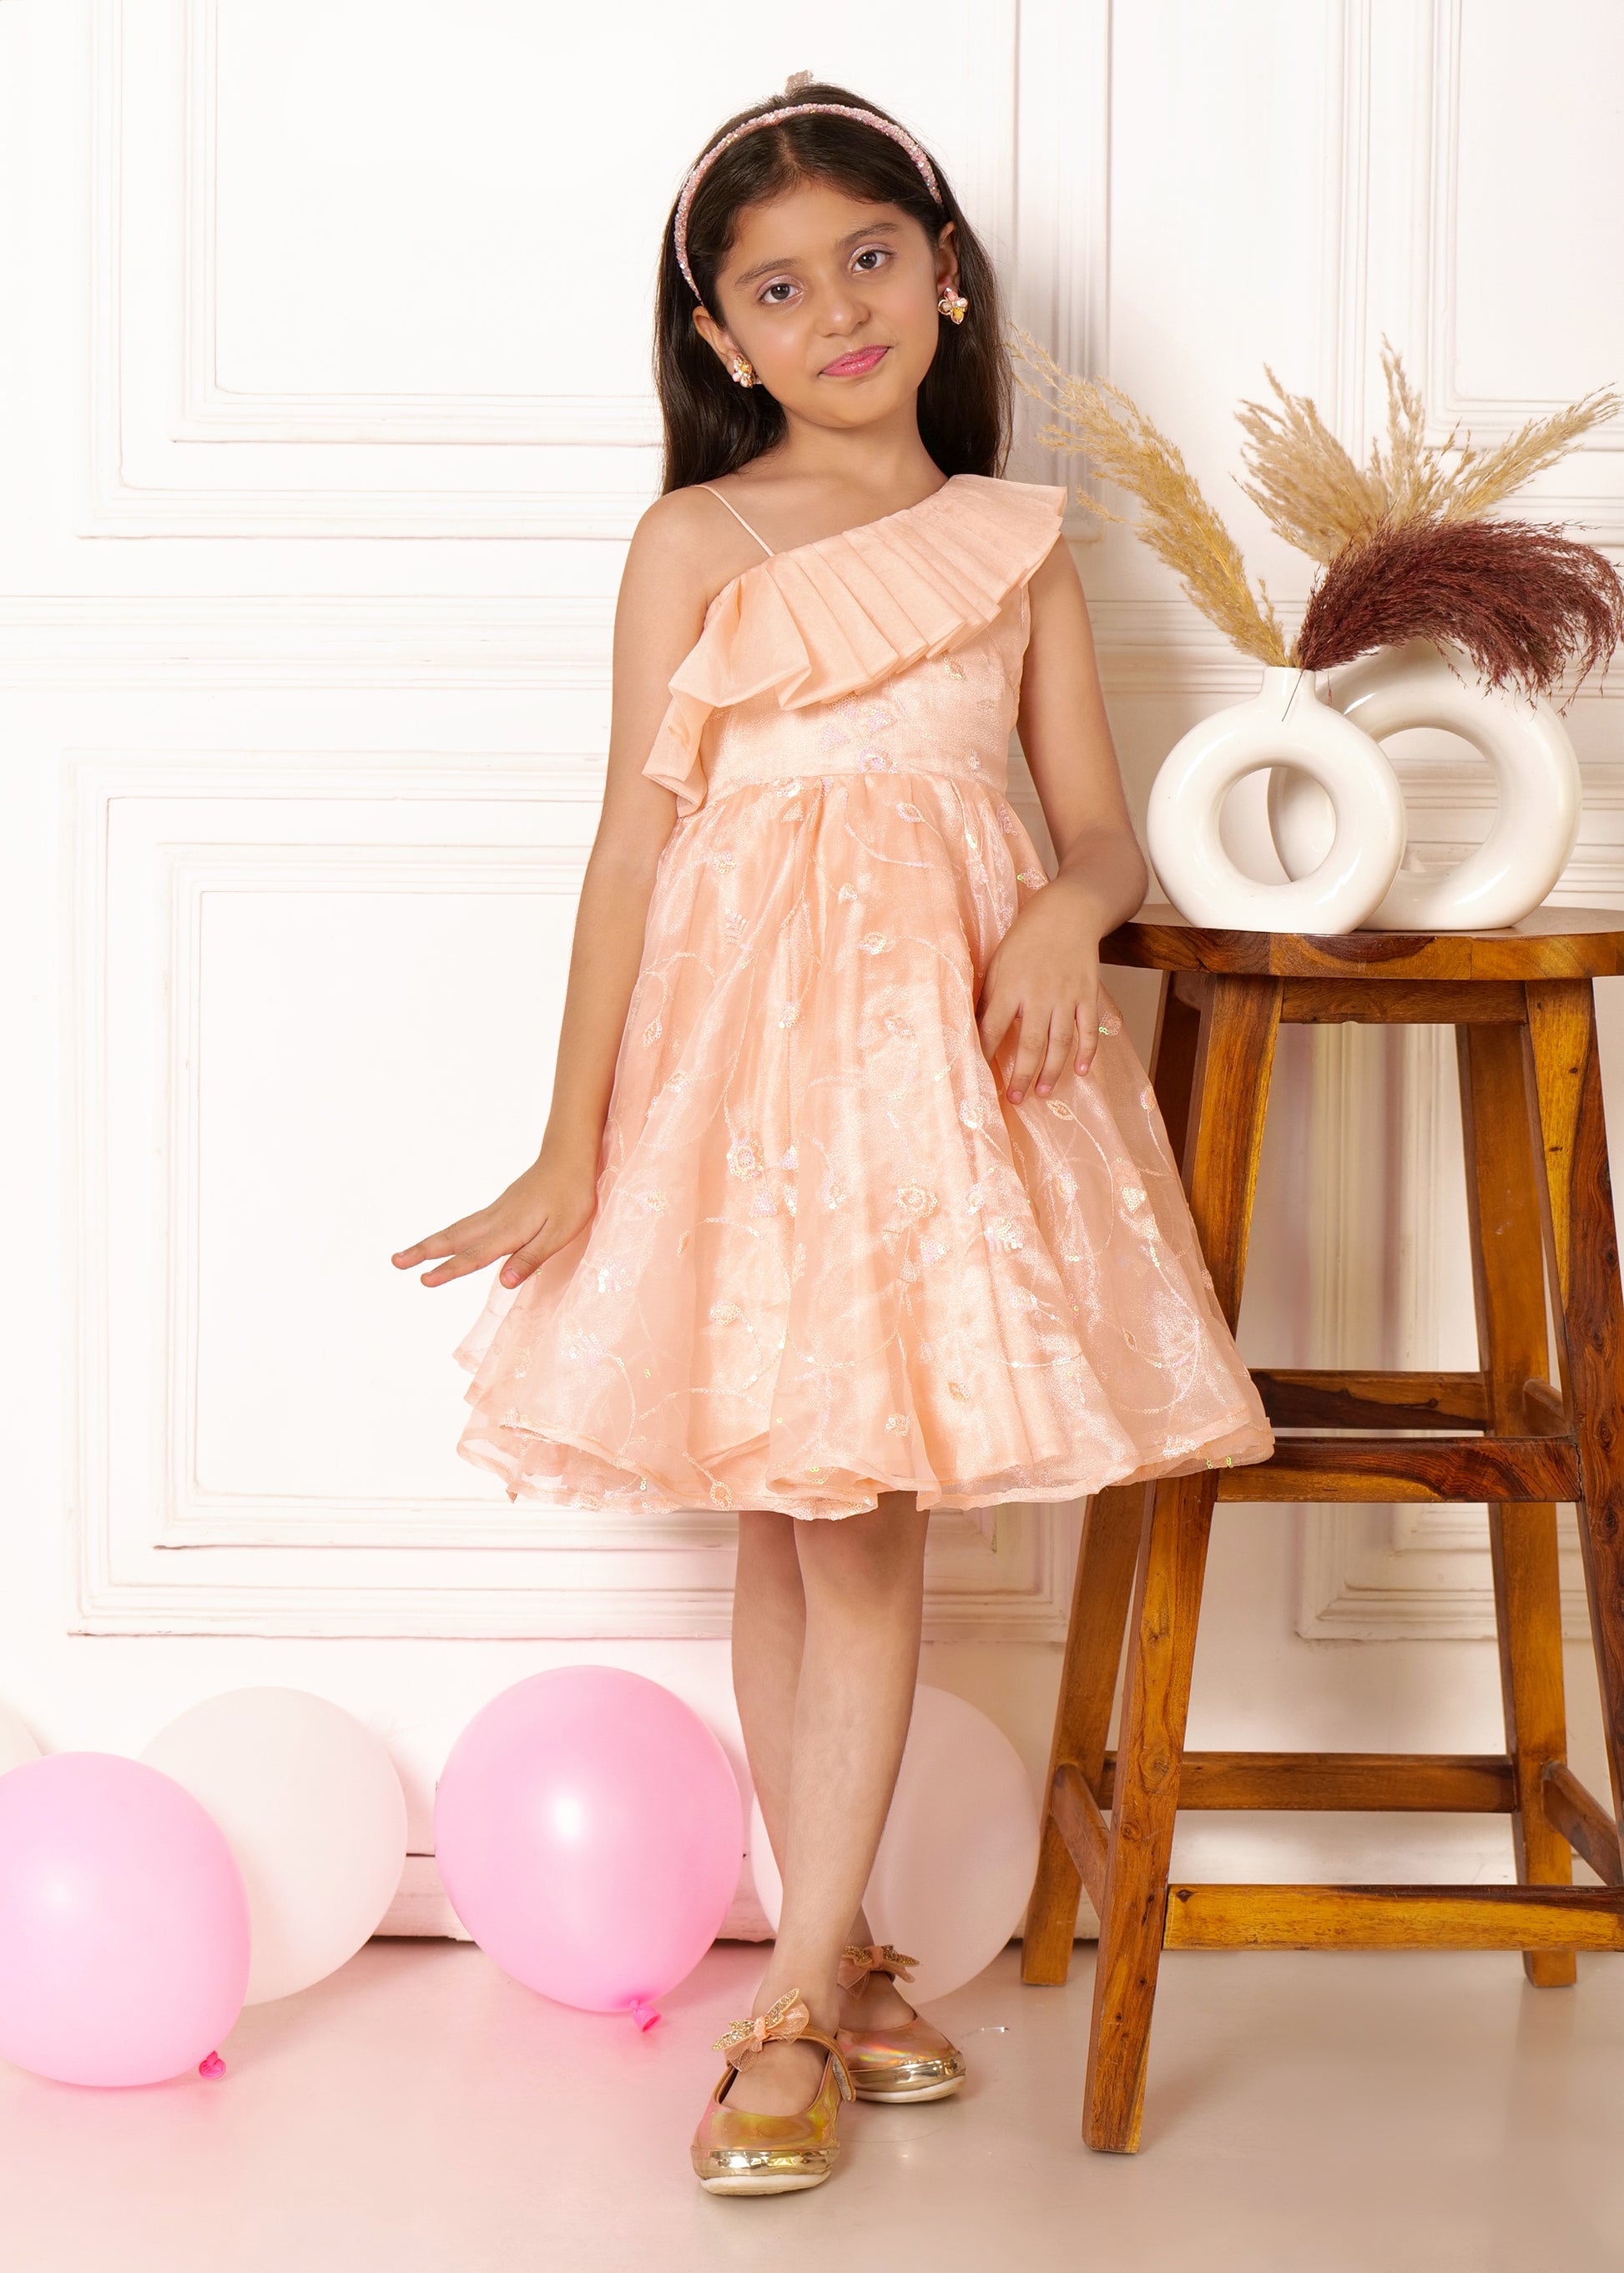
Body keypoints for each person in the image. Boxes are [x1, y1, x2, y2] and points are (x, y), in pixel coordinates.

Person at [391, 74, 1273, 2197]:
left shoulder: (1016, 544)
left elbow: (1090, 821)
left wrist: (1070, 914)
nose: (836, 312)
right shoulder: (695, 540)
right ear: (720, 338)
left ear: (943, 273)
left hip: (943, 1089)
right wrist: (568, 1145)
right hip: (743, 1095)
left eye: (870, 259)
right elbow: (630, 850)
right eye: (776, 289)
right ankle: (831, 1962)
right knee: (796, 1515)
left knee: (861, 1515)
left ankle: (798, 1990)